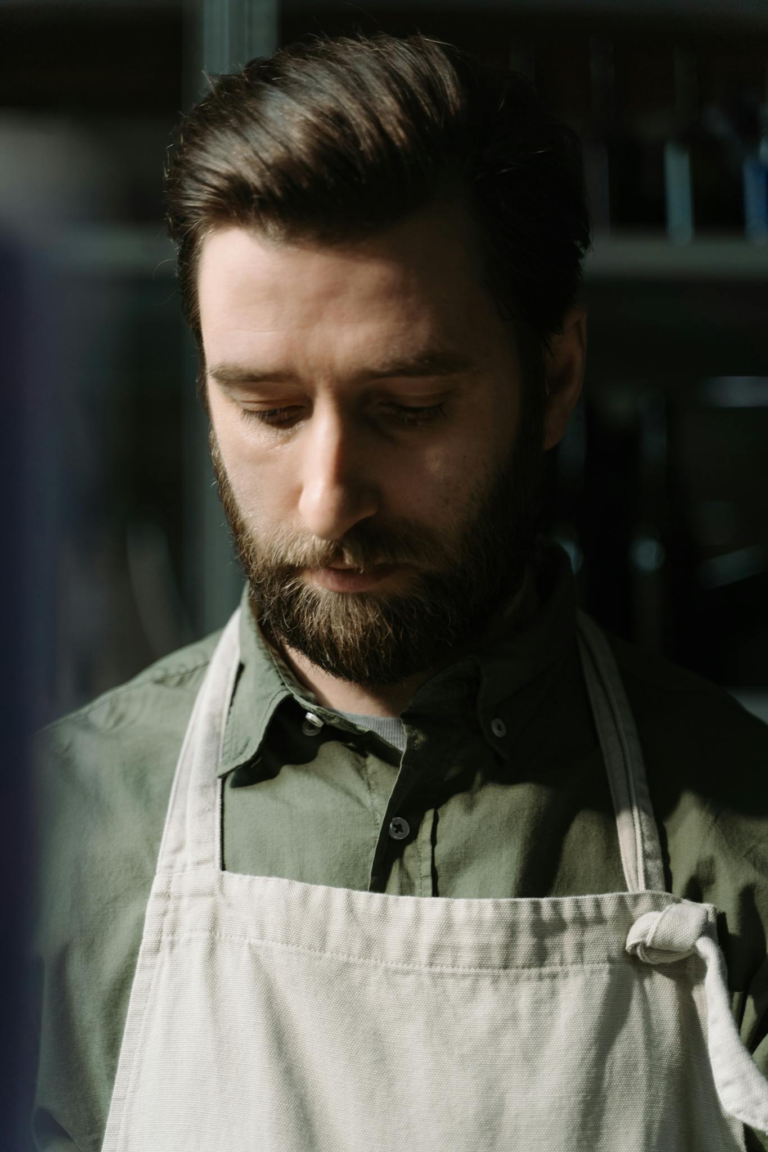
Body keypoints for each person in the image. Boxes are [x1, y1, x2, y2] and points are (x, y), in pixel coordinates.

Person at [27, 31, 768, 1152]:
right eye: (267, 410)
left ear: (555, 376)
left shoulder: (743, 835)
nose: (328, 503)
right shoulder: (51, 840)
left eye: (409, 407)